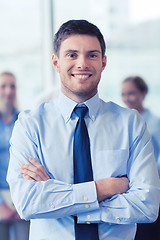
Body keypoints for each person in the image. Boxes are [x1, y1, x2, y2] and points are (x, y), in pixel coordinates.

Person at [7, 20, 160, 240]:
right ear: (55, 62)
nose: (82, 63)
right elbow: (28, 203)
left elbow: (147, 206)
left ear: (103, 62)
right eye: (71, 55)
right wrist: (104, 188)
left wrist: (57, 198)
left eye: (92, 55)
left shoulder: (131, 123)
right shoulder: (30, 125)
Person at [121, 75, 160, 240]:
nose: (126, 98)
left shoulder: (155, 123)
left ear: (143, 93)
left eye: (131, 93)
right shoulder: (123, 122)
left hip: (151, 183)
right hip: (126, 186)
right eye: (123, 94)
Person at [0, 71, 30, 240]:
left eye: (12, 86)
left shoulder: (24, 121)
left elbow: (30, 160)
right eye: (3, 86)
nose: (8, 91)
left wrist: (24, 198)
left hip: (21, 193)